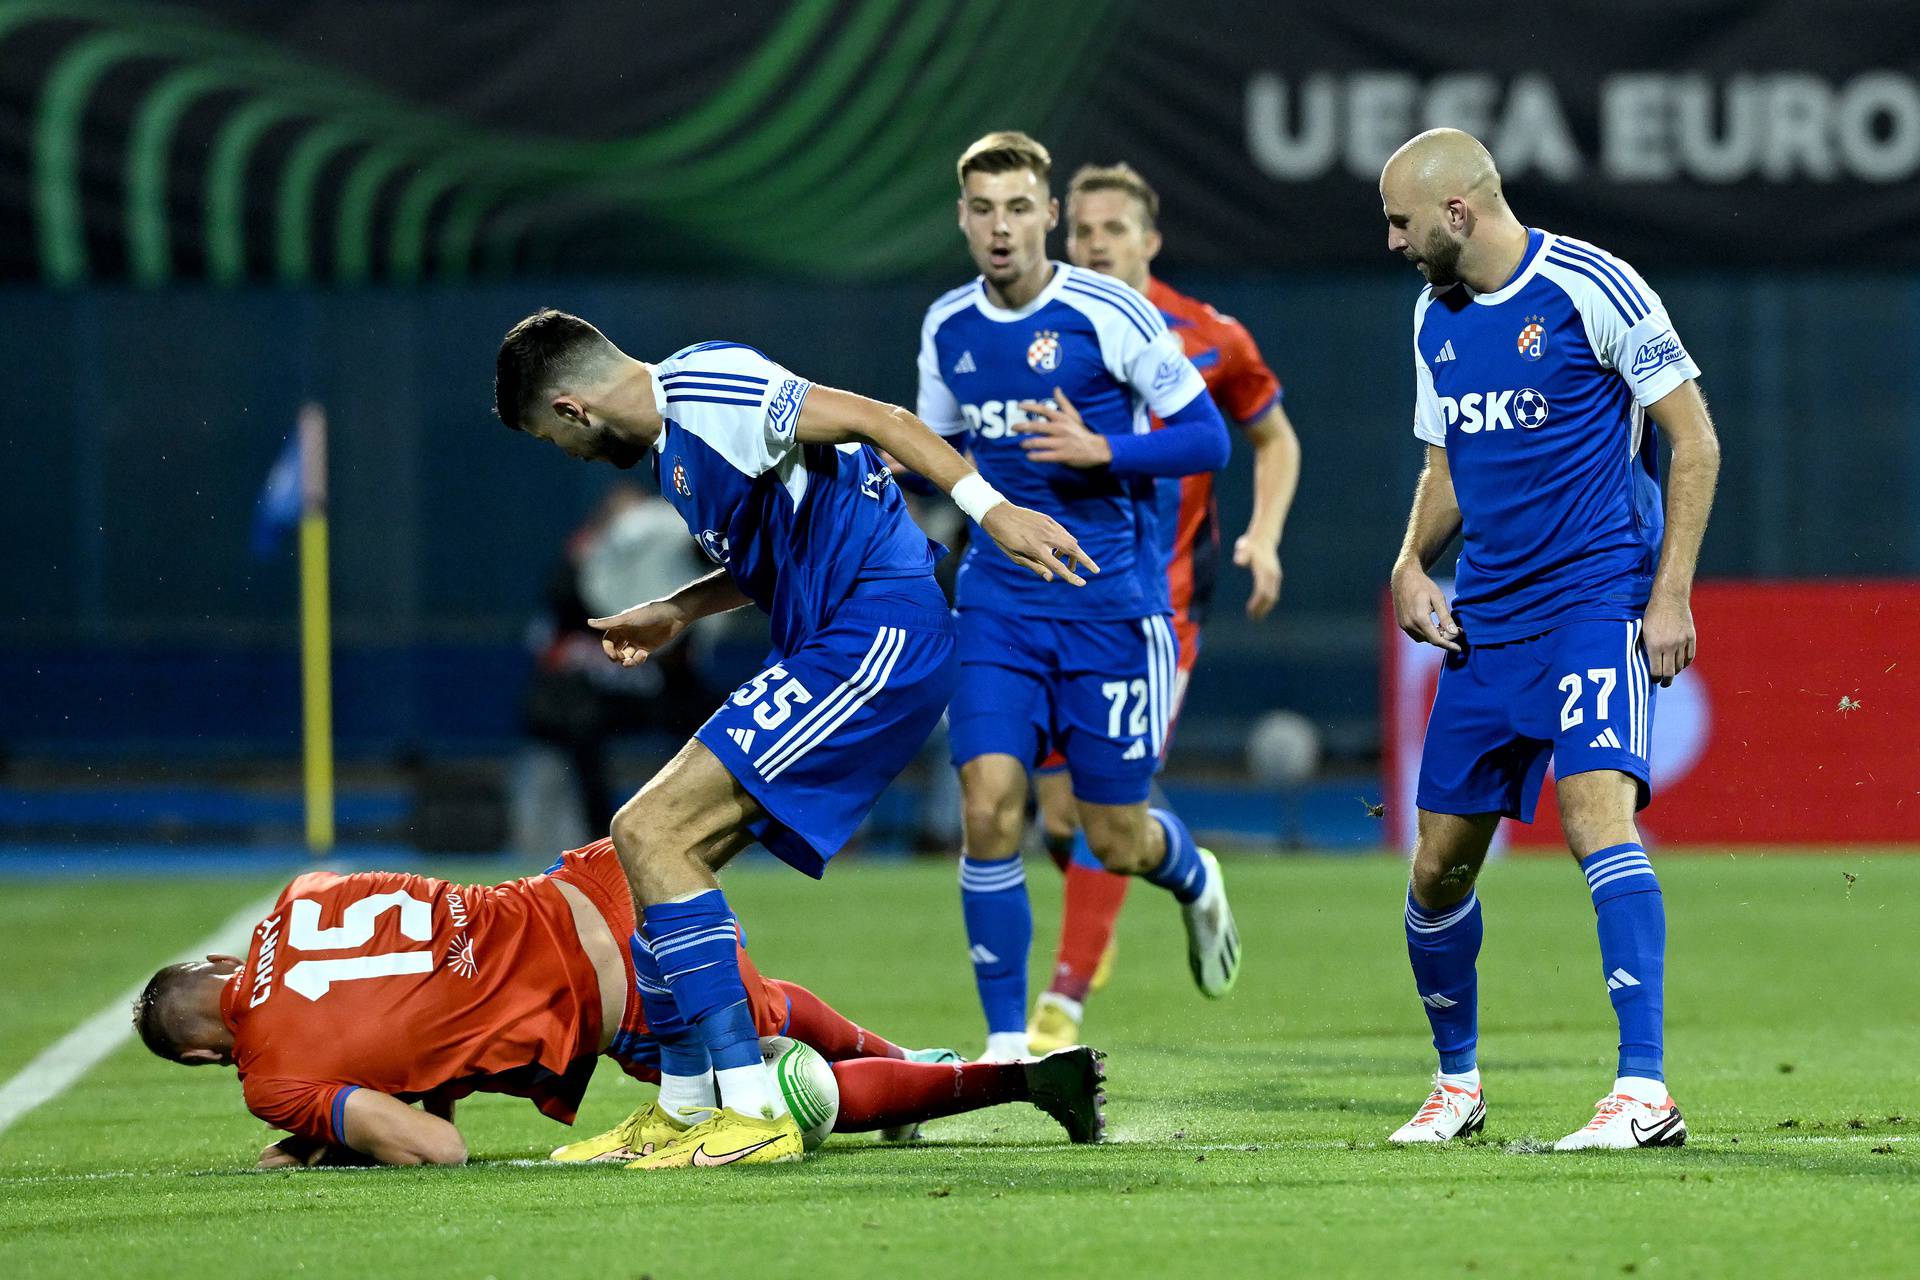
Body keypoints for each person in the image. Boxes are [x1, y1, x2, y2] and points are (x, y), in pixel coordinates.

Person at [489, 312, 1095, 1166]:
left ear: (572, 407)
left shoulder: (706, 388)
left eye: (553, 437)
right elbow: (769, 556)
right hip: (833, 642)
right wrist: (675, 609)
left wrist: (994, 513)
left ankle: (747, 1111)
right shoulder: (677, 448)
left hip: (876, 634)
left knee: (648, 831)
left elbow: (882, 421)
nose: (567, 453)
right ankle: (687, 1107)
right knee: (654, 854)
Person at [1380, 129, 1720, 1149]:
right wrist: (1407, 562)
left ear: (1455, 213)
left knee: (1595, 818)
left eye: (1400, 221)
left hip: (1593, 601)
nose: (1389, 241)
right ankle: (1456, 1085)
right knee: (1437, 869)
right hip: (1487, 619)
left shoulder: (1591, 285)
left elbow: (1692, 436)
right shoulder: (1432, 317)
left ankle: (1644, 1088)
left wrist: (1670, 594)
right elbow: (1447, 464)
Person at [130, 839, 1107, 1170]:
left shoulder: (272, 1076)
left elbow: (439, 1147)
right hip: (605, 875)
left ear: (206, 1057)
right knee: (756, 1003)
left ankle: (1011, 1078)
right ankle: (920, 1058)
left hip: (607, 992)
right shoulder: (301, 893)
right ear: (221, 957)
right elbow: (412, 994)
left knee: (773, 1093)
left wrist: (329, 1133)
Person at [913, 132, 1240, 1061]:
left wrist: (1106, 451)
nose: (1001, 227)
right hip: (999, 608)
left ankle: (1192, 873)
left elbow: (1209, 440)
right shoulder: (948, 328)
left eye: (1020, 208)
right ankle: (1007, 1043)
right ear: (964, 219)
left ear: (1048, 215)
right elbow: (935, 467)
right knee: (989, 807)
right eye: (983, 210)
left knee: (1111, 834)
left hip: (1109, 611)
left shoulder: (1113, 312)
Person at [1026, 162, 1304, 1053]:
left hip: (1160, 605)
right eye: (1084, 231)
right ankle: (1174, 875)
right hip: (1056, 595)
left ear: (1150, 240)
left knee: (1110, 799)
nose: (1096, 245)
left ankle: (1061, 1004)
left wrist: (1263, 534)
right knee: (1060, 817)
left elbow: (1272, 436)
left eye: (1114, 229)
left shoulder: (1210, 338)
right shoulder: (1038, 328)